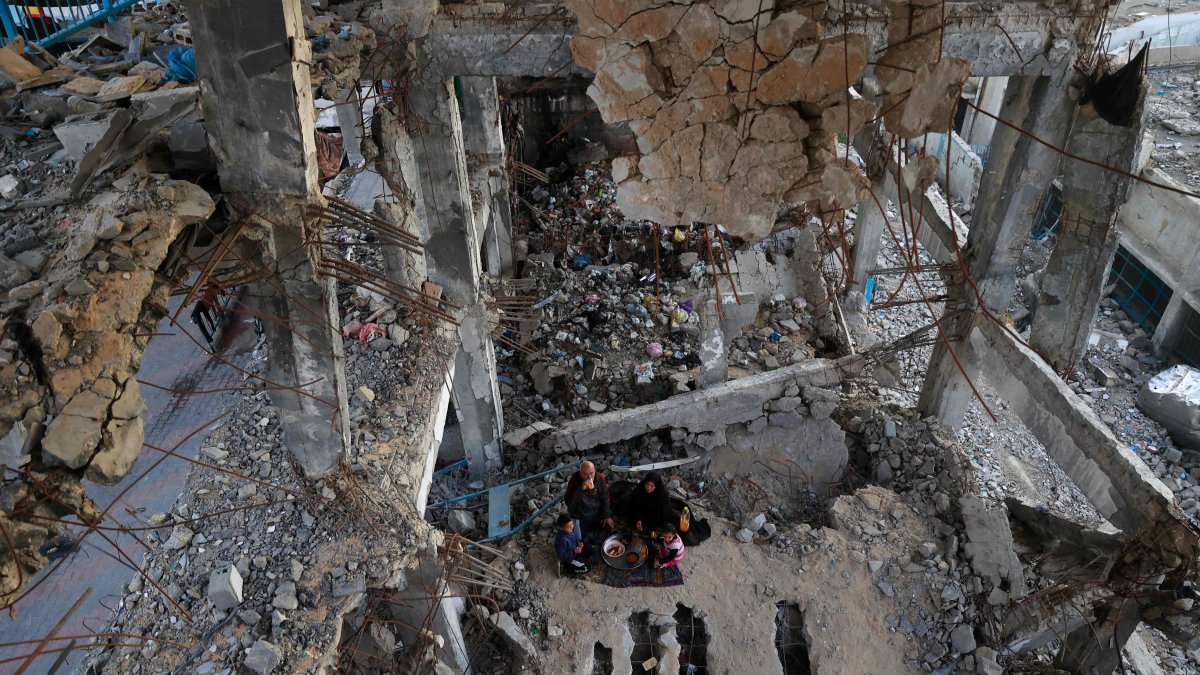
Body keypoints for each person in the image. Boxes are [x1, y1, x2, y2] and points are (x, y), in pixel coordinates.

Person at [565, 460, 614, 541]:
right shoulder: (574, 480)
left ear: (594, 470)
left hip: (596, 512)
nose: (589, 477)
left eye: (591, 473)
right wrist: (581, 490)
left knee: (609, 528)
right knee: (579, 539)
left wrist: (607, 515)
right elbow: (569, 503)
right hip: (580, 515)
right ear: (580, 473)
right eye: (585, 474)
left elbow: (605, 497)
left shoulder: (600, 478)